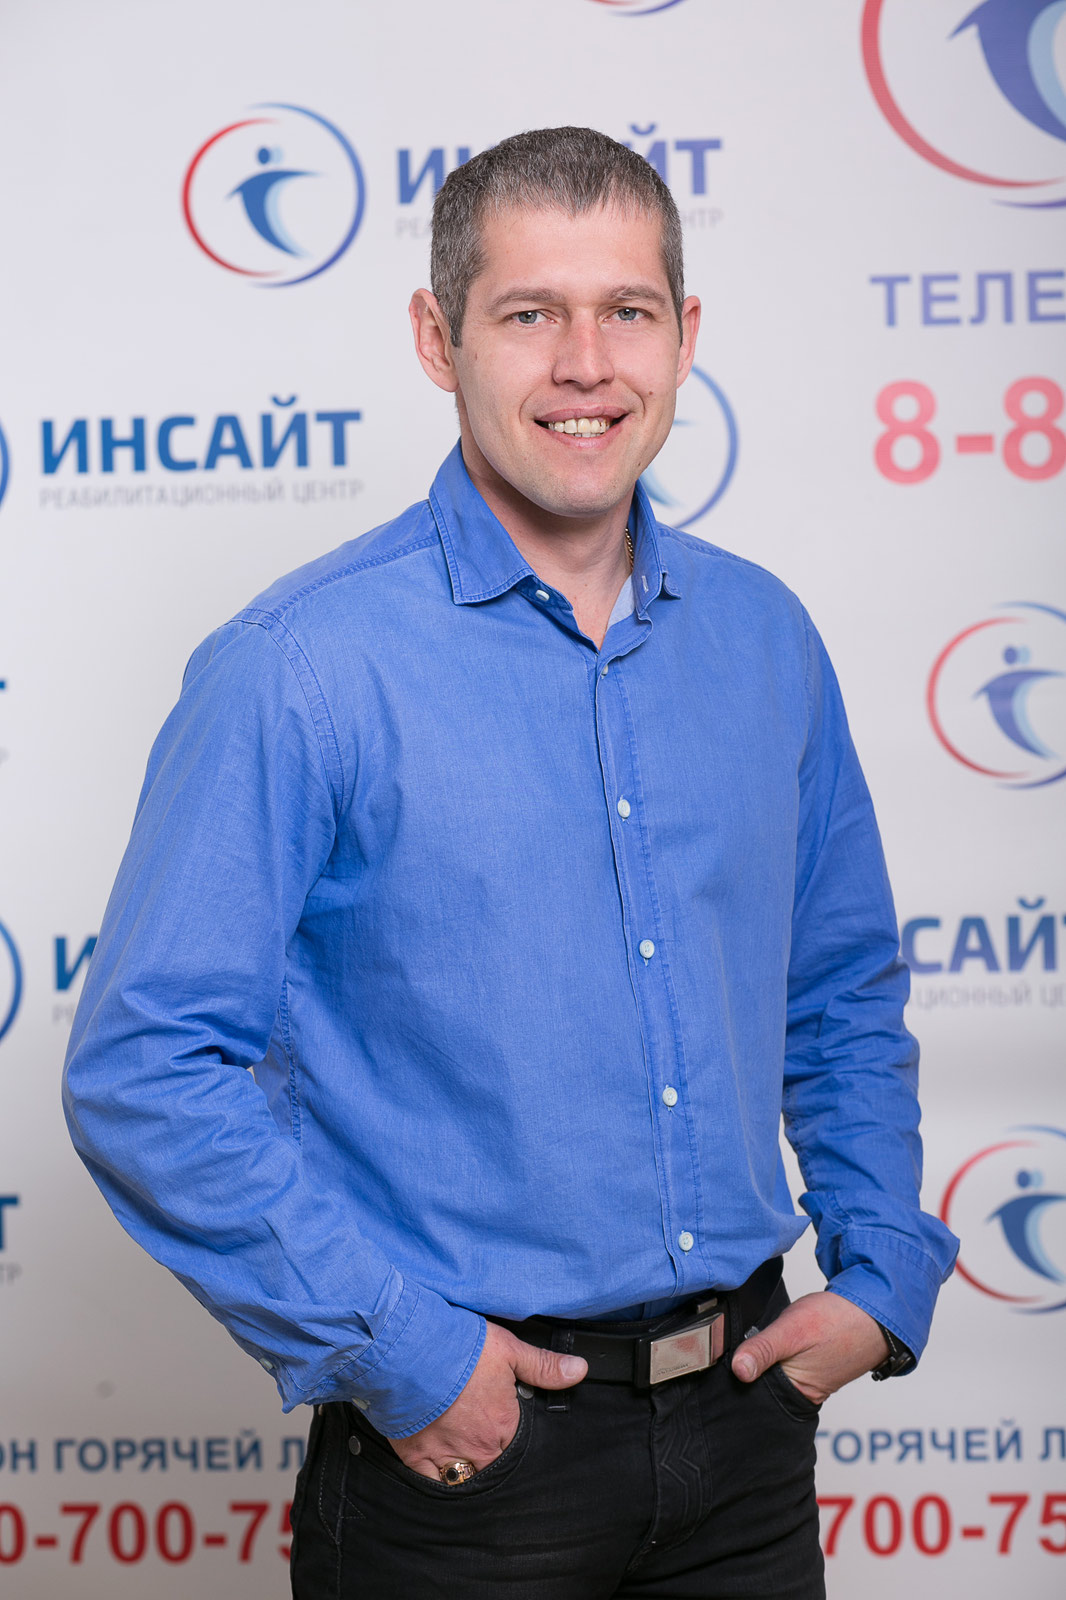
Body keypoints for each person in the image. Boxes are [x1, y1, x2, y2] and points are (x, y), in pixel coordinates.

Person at [64, 126, 958, 1598]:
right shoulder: (301, 667)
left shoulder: (765, 640)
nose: (586, 365)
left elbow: (840, 987)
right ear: (439, 338)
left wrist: (880, 1274)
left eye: (628, 310)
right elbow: (145, 1066)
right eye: (531, 312)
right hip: (470, 1464)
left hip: (748, 1437)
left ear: (685, 336)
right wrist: (403, 1356)